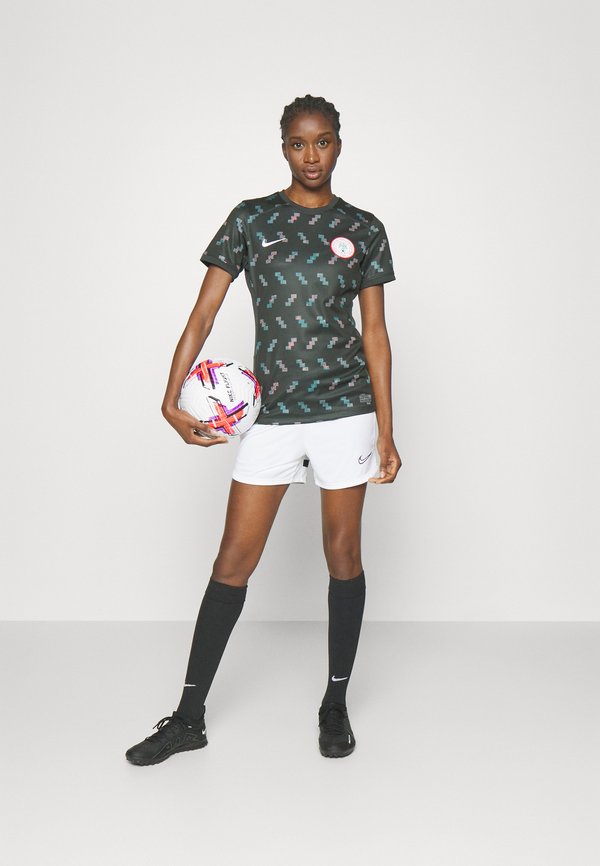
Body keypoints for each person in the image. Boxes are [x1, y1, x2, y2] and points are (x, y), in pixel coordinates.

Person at [125, 94, 401, 766]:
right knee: (233, 560)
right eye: (299, 143)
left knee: (343, 555)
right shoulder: (251, 219)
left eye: (323, 141)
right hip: (270, 415)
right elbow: (202, 314)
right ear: (283, 147)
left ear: (339, 145)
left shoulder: (364, 229)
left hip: (345, 410)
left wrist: (387, 433)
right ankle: (188, 718)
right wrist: (169, 399)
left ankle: (334, 704)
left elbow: (375, 334)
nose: (312, 156)